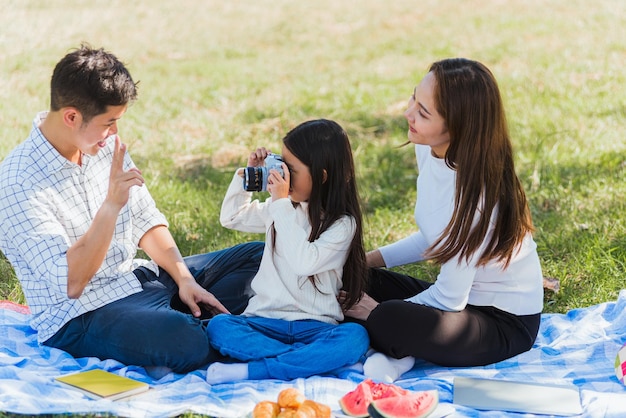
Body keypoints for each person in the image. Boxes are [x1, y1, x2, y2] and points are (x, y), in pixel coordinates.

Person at [0, 44, 263, 375]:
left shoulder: (101, 142)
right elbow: (72, 283)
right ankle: (229, 328)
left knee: (262, 257)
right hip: (83, 314)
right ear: (71, 116)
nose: (115, 134)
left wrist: (184, 279)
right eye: (109, 122)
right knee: (183, 339)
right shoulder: (17, 183)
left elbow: (144, 218)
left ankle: (205, 318)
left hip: (141, 280)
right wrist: (111, 205)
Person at [343, 58, 544, 383]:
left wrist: (375, 313)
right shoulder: (430, 149)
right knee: (354, 279)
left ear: (459, 127)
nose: (408, 113)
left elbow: (450, 298)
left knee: (388, 316)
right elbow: (436, 238)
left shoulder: (477, 197)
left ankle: (396, 342)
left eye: (423, 113)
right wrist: (365, 261)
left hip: (502, 322)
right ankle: (400, 348)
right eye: (413, 99)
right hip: (461, 306)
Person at [205, 119, 370, 384]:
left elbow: (304, 262)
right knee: (220, 327)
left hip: (316, 327)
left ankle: (255, 370)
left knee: (354, 338)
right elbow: (232, 217)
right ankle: (311, 362)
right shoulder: (279, 208)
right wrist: (247, 176)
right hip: (263, 322)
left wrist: (279, 203)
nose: (281, 174)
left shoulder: (342, 224)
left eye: (290, 169)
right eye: (280, 164)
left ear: (322, 176)